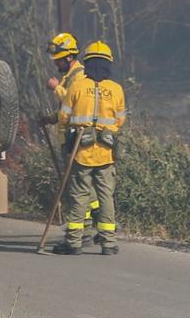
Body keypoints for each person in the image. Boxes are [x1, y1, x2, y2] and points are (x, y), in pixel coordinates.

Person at [52, 41, 126, 256]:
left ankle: (73, 242)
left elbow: (64, 116)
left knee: (79, 195)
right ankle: (109, 243)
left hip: (80, 150)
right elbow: (120, 121)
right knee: (106, 196)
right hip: (106, 151)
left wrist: (65, 136)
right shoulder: (116, 89)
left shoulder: (77, 86)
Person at [38, 31, 102, 242]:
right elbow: (65, 109)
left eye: (58, 60)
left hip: (77, 139)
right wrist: (49, 118)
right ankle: (92, 223)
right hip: (68, 138)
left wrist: (57, 89)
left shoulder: (80, 76)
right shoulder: (70, 76)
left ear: (69, 57)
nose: (56, 64)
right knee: (78, 184)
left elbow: (75, 104)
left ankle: (85, 227)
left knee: (78, 185)